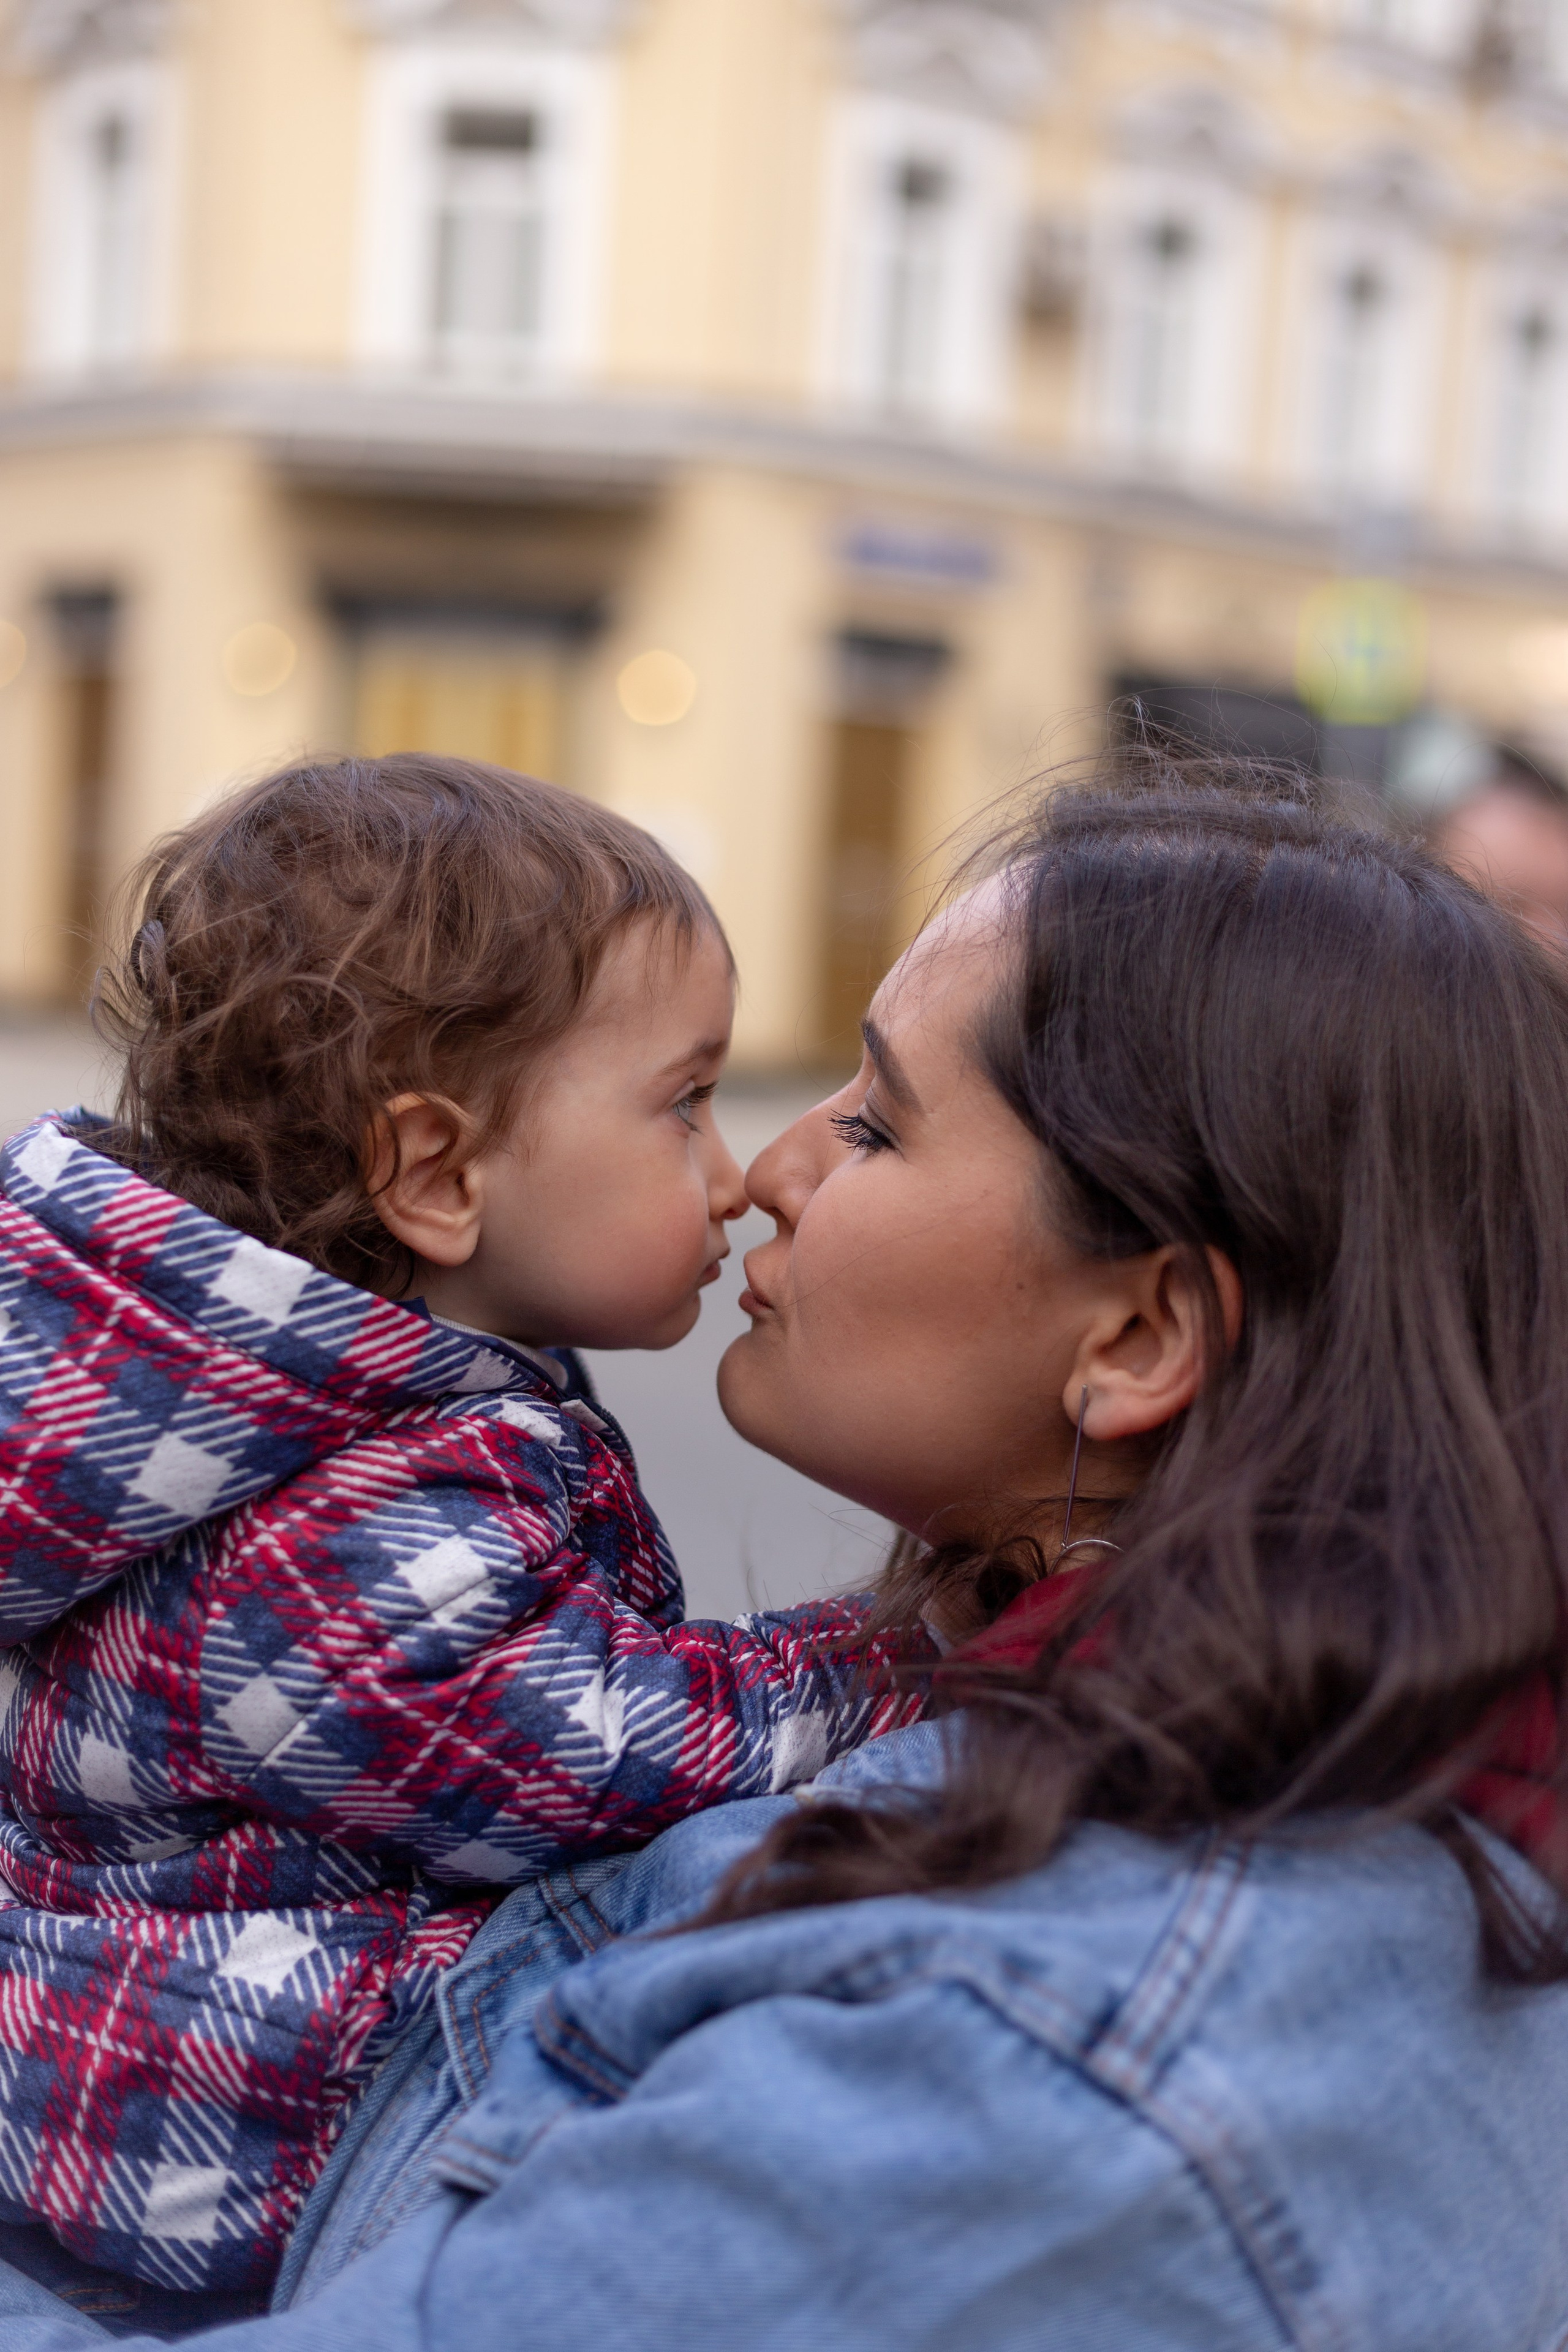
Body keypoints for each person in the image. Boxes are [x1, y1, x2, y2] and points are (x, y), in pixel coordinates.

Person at [9, 765, 1568, 2350]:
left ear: (1141, 1334)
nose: (764, 1173)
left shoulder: (1035, 2064)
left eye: (875, 1123)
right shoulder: (1174, 1791)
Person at [0, 758, 917, 2311]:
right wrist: (896, 1656)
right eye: (683, 1102)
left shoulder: (341, 1421)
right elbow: (608, 1755)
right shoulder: (340, 1521)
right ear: (434, 1173)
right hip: (232, 2162)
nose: (732, 1178)